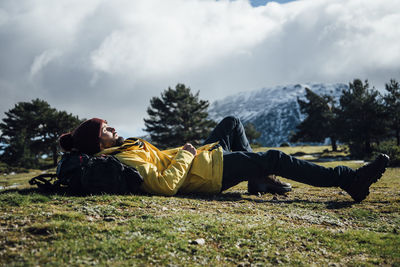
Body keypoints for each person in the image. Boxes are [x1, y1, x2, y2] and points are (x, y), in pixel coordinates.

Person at [59, 116, 389, 202]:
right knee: (273, 156)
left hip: (202, 160)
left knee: (230, 121)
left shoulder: (123, 149)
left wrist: (188, 152)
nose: (111, 127)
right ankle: (350, 179)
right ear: (97, 144)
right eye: (105, 128)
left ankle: (258, 180)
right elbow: (164, 186)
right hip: (206, 174)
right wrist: (187, 155)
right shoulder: (123, 161)